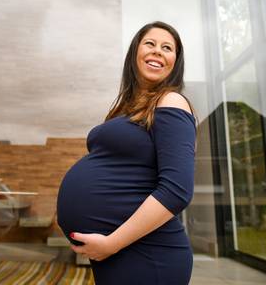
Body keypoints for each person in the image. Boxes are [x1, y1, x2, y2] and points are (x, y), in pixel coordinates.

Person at [56, 21, 198, 284]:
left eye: (167, 48)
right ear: (135, 53)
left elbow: (177, 190)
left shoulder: (171, 101)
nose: (157, 51)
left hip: (148, 254)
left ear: (175, 63)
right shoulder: (127, 109)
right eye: (150, 43)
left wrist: (111, 244)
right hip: (120, 253)